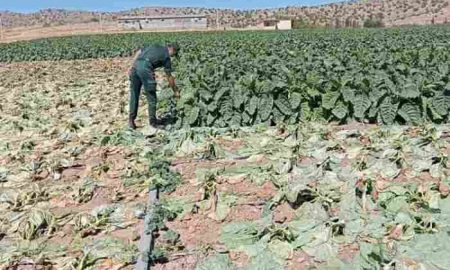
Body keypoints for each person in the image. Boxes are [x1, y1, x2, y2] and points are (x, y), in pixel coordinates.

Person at [127, 43, 180, 133]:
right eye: (174, 54)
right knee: (151, 96)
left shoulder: (154, 46)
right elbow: (169, 76)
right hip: (145, 68)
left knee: (134, 94)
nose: (172, 56)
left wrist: (132, 66)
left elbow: (139, 51)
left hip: (136, 65)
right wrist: (175, 91)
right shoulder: (166, 56)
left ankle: (131, 120)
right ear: (172, 50)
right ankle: (153, 122)